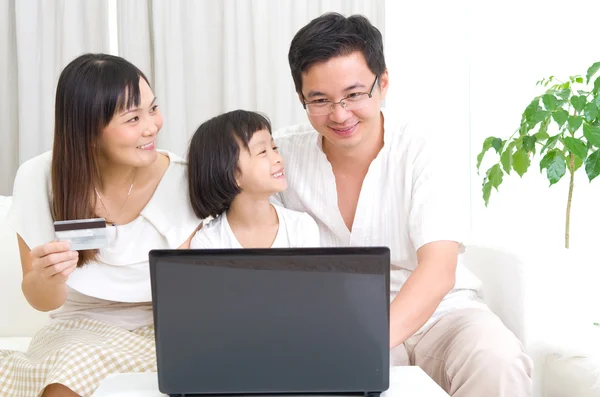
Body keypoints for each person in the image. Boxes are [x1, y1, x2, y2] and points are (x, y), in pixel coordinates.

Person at [273, 12, 533, 396]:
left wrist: (367, 344)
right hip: (336, 320)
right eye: (320, 101)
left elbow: (438, 270)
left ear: (383, 84)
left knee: (498, 360)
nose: (340, 114)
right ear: (301, 99)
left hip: (443, 314)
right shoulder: (279, 157)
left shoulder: (424, 148)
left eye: (354, 95)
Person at [0, 53, 200, 397]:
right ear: (89, 132)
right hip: (78, 328)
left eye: (153, 109)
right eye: (133, 118)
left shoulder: (185, 178)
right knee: (66, 374)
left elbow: (197, 292)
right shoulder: (38, 178)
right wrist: (49, 275)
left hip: (165, 329)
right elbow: (42, 300)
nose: (152, 126)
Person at [186, 109, 319, 249]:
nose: (278, 159)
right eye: (262, 152)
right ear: (232, 174)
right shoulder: (208, 242)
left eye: (274, 148)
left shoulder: (301, 227)